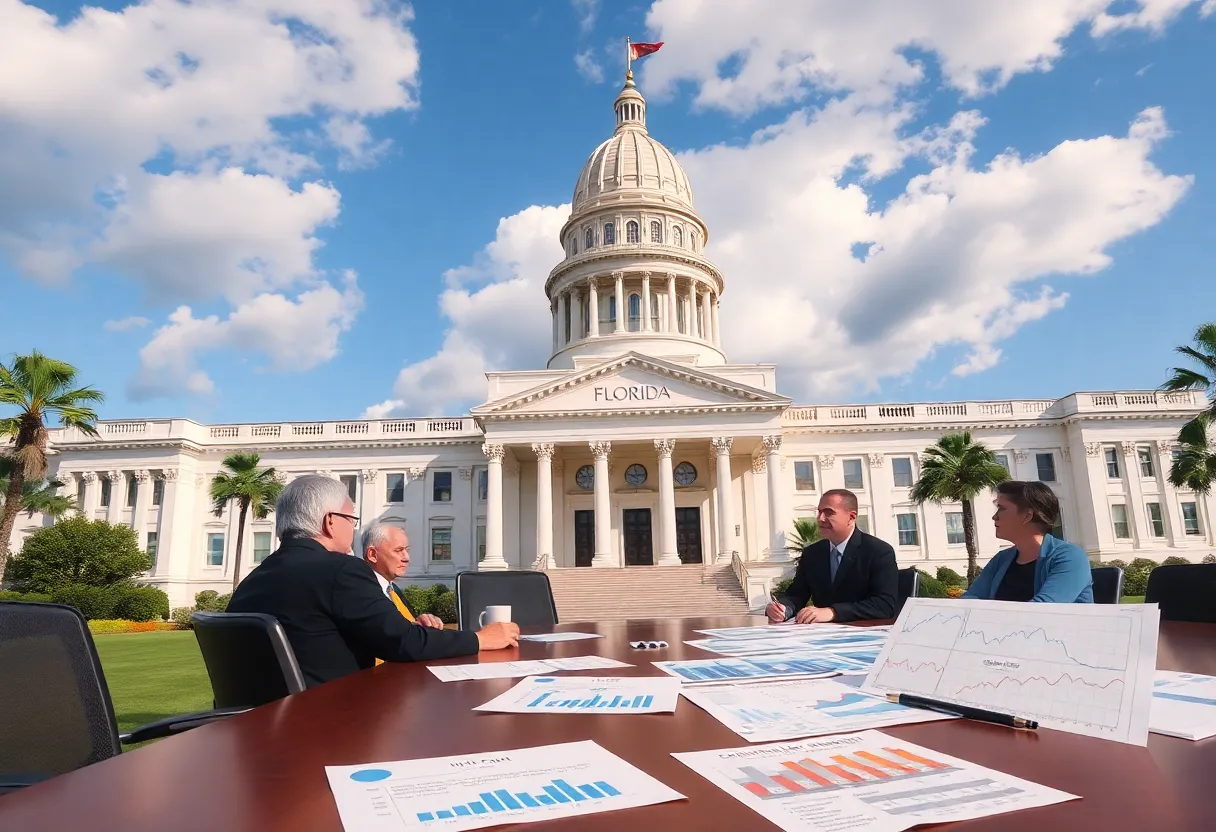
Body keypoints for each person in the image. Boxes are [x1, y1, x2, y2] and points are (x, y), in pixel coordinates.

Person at [228, 475, 519, 687]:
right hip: (330, 726)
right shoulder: (341, 570)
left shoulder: (252, 581)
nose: (353, 528)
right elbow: (404, 644)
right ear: (330, 521)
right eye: (350, 519)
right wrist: (480, 638)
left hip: (260, 734)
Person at [765, 489, 898, 623]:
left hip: (865, 635)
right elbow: (796, 595)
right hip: (819, 635)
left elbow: (884, 605)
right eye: (819, 512)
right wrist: (783, 608)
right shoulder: (812, 553)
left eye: (828, 513)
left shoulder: (879, 551)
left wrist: (833, 612)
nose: (820, 518)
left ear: (851, 517)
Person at [964, 480, 1093, 603]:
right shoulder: (1001, 560)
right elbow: (971, 598)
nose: (994, 516)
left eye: (1002, 508)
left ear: (1027, 515)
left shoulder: (1070, 557)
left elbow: (1043, 610)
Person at [360, 521, 445, 630]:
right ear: (372, 554)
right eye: (398, 550)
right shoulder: (362, 592)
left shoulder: (393, 589)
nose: (406, 558)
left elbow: (404, 630)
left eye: (407, 550)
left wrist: (420, 623)